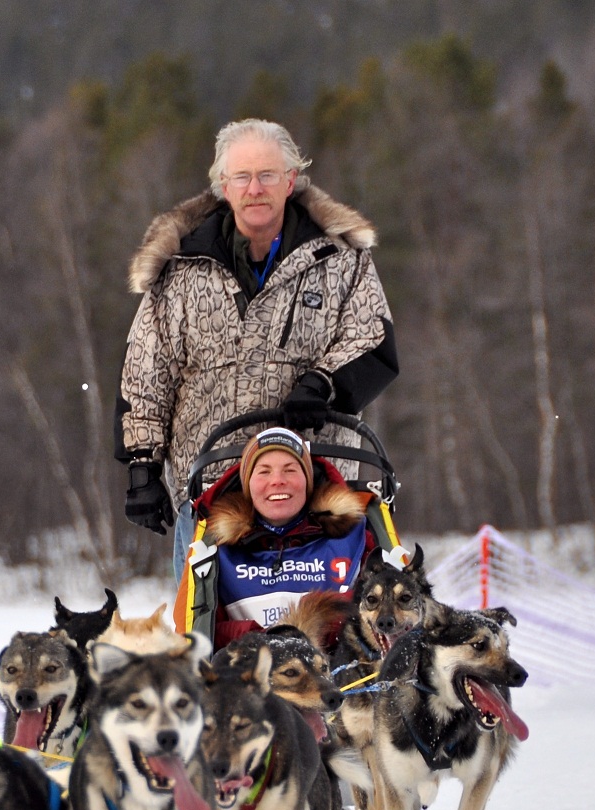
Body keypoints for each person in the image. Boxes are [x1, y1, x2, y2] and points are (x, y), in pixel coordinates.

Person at [115, 117, 398, 579]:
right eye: (241, 177)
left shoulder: (341, 257)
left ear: (291, 180)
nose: (255, 189)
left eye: (268, 175)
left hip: (318, 488)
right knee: (212, 635)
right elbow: (147, 371)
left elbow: (372, 337)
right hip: (211, 486)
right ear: (223, 187)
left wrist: (323, 383)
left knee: (328, 633)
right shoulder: (181, 266)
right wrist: (142, 469)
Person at [172, 426, 372, 651]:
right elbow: (197, 628)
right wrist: (268, 639)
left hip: (338, 676)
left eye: (290, 470)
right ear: (248, 484)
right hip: (245, 673)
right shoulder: (215, 545)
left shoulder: (354, 537)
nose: (277, 480)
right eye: (264, 472)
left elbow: (380, 612)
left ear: (308, 481)